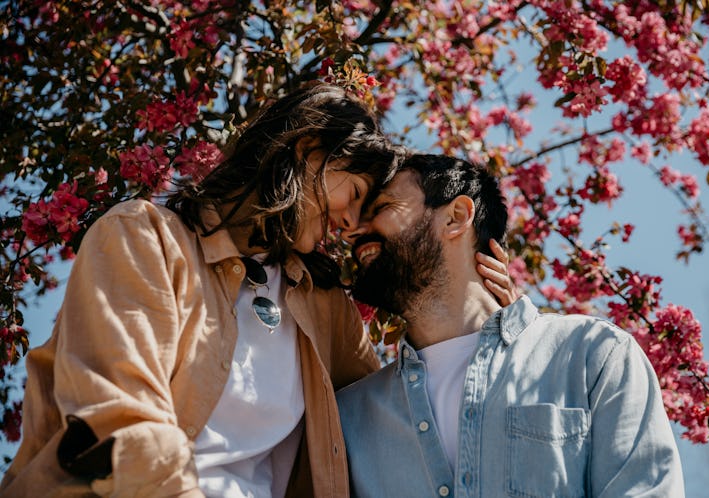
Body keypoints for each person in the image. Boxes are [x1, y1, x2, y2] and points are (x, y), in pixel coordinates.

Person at [1, 85, 515, 497]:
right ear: (307, 150)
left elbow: (397, 417)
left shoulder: (321, 303)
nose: (352, 223)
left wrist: (499, 331)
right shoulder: (145, 237)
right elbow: (117, 418)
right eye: (354, 192)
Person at [336, 153, 685, 497]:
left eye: (381, 207)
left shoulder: (590, 356)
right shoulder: (349, 416)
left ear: (456, 217)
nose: (354, 231)